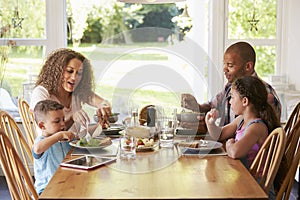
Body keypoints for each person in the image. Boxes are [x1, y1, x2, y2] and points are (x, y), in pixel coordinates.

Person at [181, 41, 281, 132]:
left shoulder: (264, 94)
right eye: (224, 64)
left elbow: (254, 134)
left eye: (230, 65)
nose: (224, 69)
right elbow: (212, 105)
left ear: (248, 67)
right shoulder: (230, 87)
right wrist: (196, 106)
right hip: (227, 144)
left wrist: (208, 129)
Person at [29, 48, 111, 134]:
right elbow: (48, 133)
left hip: (75, 144)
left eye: (79, 73)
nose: (74, 78)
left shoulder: (78, 92)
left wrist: (104, 108)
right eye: (69, 71)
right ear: (57, 71)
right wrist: (71, 119)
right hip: (53, 146)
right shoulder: (41, 93)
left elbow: (103, 103)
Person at [205, 76, 280, 168]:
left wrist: (229, 144)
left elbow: (235, 152)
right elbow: (219, 135)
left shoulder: (256, 127)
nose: (229, 102)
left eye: (232, 97)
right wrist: (210, 123)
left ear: (244, 101)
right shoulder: (241, 120)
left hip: (253, 180)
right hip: (242, 174)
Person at [32, 100, 75, 195]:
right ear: (42, 125)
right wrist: (59, 136)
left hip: (65, 184)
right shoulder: (42, 141)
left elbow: (81, 139)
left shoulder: (62, 139)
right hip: (47, 190)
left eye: (63, 119)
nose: (63, 124)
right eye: (57, 121)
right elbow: (37, 149)